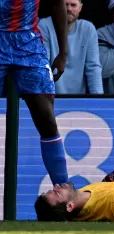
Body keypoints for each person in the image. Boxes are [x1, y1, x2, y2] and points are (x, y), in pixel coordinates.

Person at [0, 0, 69, 185]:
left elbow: (57, 4)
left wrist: (63, 53)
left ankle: (63, 194)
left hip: (28, 42)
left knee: (47, 119)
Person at [39, 0, 103, 94]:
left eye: (73, 5)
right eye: (65, 4)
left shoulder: (88, 28)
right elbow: (43, 67)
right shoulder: (44, 26)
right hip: (51, 96)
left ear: (80, 7)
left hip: (78, 100)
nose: (69, 9)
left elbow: (93, 68)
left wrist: (99, 101)